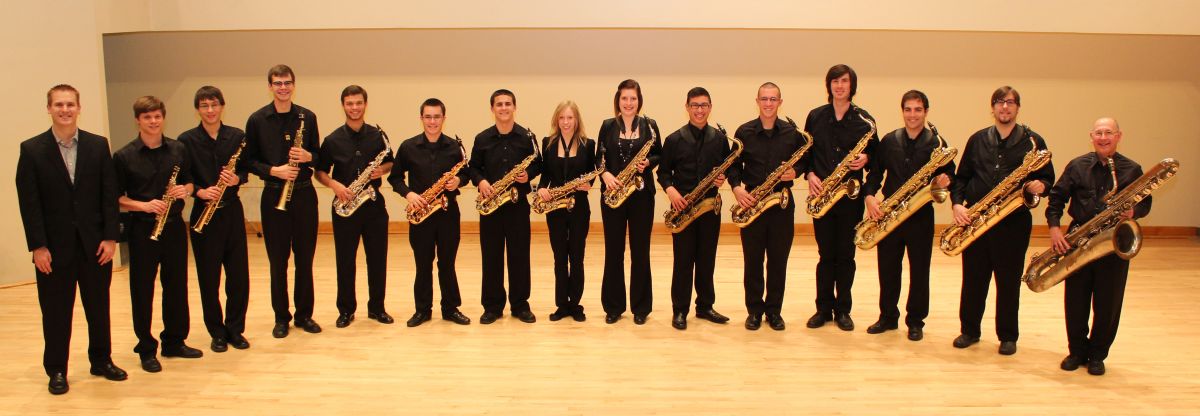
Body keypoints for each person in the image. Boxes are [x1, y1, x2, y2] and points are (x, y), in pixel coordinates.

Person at [17, 84, 126, 394]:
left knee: (98, 307)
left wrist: (109, 237)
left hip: (94, 246)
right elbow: (30, 203)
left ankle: (101, 360)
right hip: (52, 249)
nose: (65, 110)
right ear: (49, 108)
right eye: (58, 105)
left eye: (70, 104)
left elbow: (108, 195)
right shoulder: (32, 149)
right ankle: (56, 370)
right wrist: (38, 246)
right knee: (55, 312)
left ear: (79, 108)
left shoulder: (97, 145)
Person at [950, 86, 1054, 355]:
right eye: (999, 102)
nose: (1004, 107)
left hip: (1013, 223)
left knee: (1007, 282)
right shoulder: (977, 140)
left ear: (1018, 108)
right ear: (992, 107)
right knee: (973, 279)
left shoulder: (1033, 141)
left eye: (1010, 103)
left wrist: (1040, 186)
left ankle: (1008, 336)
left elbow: (1049, 178)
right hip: (977, 220)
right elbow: (961, 178)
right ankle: (969, 331)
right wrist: (958, 204)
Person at [1046, 117, 1150, 376]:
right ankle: (1077, 351)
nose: (1103, 138)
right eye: (1099, 133)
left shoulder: (1132, 169)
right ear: (1091, 137)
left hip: (1114, 242)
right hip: (1079, 240)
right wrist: (1055, 228)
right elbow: (1056, 198)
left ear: (1118, 136)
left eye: (1109, 133)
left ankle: (1097, 354)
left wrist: (1133, 211)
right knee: (1076, 299)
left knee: (1108, 302)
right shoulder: (1077, 165)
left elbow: (1146, 203)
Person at [113, 96, 201, 372]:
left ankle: (174, 341)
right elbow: (115, 198)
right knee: (142, 289)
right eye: (147, 117)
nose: (153, 121)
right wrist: (143, 205)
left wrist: (184, 190)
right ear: (138, 120)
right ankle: (146, 348)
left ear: (163, 117)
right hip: (142, 228)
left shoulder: (178, 149)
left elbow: (190, 181)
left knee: (176, 285)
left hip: (173, 226)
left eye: (157, 116)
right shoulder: (124, 156)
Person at [860, 90, 954, 341]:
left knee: (920, 271)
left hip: (920, 217)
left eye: (918, 109)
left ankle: (915, 321)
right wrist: (869, 197)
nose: (913, 114)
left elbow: (951, 176)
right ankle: (888, 317)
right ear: (902, 111)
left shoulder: (937, 144)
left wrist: (946, 180)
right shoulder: (890, 141)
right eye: (908, 109)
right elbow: (875, 175)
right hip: (890, 215)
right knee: (888, 269)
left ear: (926, 112)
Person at [241, 64, 322, 338]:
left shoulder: (307, 117)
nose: (283, 87)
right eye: (278, 83)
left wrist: (309, 157)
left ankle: (304, 315)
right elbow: (248, 160)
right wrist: (273, 170)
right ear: (270, 86)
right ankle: (281, 317)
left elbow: (319, 155)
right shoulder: (256, 120)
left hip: (303, 194)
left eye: (287, 83)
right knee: (278, 261)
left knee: (305, 258)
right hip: (274, 192)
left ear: (294, 85)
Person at [802, 64, 878, 331]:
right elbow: (805, 154)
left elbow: (877, 158)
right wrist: (810, 174)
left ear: (851, 85)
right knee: (825, 255)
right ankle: (823, 309)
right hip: (822, 194)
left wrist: (867, 157)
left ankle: (843, 309)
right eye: (835, 81)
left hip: (850, 197)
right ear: (829, 85)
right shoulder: (815, 117)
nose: (839, 86)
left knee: (846, 255)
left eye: (844, 81)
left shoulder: (865, 121)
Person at [658, 87, 737, 330]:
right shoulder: (674, 139)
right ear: (687, 107)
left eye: (704, 105)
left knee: (706, 259)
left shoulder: (720, 139)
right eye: (695, 105)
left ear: (710, 108)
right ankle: (679, 310)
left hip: (710, 208)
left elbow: (730, 167)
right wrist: (671, 190)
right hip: (682, 207)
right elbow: (662, 172)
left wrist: (724, 177)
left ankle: (704, 306)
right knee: (683, 261)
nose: (699, 110)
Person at [315, 85, 394, 328]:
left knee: (377, 259)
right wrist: (334, 185)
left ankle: (377, 308)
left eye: (358, 103)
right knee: (345, 260)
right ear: (343, 106)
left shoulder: (377, 136)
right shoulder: (332, 139)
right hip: (345, 204)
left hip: (372, 205)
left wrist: (383, 169)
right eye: (350, 103)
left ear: (365, 104)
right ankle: (346, 310)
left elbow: (391, 162)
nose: (354, 107)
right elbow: (319, 172)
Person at [180, 86, 252, 353]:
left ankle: (235, 329)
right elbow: (183, 176)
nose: (210, 110)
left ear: (222, 106)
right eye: (204, 106)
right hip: (203, 212)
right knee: (208, 277)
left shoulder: (237, 137)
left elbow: (246, 168)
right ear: (198, 109)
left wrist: (237, 178)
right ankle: (217, 332)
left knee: (238, 276)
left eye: (214, 105)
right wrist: (199, 190)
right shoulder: (186, 140)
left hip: (231, 210)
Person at [390, 98, 472, 327]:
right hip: (421, 213)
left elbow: (466, 174)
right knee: (423, 263)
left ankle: (450, 308)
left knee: (447, 263)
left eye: (437, 117)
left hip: (447, 212)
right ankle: (422, 310)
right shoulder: (408, 147)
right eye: (428, 116)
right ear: (421, 118)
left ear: (444, 118)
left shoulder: (454, 147)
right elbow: (394, 178)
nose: (432, 121)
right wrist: (409, 195)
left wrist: (459, 180)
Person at [730, 82, 806, 331]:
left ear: (780, 102)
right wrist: (737, 188)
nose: (768, 103)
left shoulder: (792, 133)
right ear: (757, 101)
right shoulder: (744, 132)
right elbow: (731, 165)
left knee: (777, 261)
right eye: (764, 99)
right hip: (752, 202)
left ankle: (774, 311)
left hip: (781, 203)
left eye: (773, 99)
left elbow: (805, 161)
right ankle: (754, 311)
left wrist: (795, 171)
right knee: (752, 261)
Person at [469, 89, 541, 324]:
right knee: (491, 257)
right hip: (490, 206)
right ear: (492, 109)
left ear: (514, 107)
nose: (503, 108)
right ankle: (492, 306)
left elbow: (538, 164)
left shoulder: (527, 136)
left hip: (517, 205)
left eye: (507, 103)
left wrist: (527, 175)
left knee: (519, 256)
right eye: (498, 104)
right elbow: (473, 168)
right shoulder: (482, 139)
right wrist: (481, 181)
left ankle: (520, 305)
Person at [596, 79, 661, 325]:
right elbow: (598, 159)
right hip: (613, 194)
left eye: (633, 98)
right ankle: (613, 307)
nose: (629, 103)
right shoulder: (607, 126)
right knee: (614, 251)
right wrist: (606, 174)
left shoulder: (650, 126)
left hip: (642, 195)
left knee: (640, 250)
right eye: (624, 98)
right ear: (618, 100)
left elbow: (659, 154)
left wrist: (649, 163)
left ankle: (641, 307)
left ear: (639, 100)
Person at [536, 101, 597, 322]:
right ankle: (562, 304)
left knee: (577, 257)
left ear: (577, 120)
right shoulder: (548, 143)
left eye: (570, 118)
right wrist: (542, 187)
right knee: (559, 258)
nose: (566, 122)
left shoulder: (588, 144)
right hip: (555, 207)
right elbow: (545, 173)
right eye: (562, 118)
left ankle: (575, 304)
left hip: (579, 206)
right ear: (556, 120)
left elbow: (593, 171)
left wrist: (589, 183)